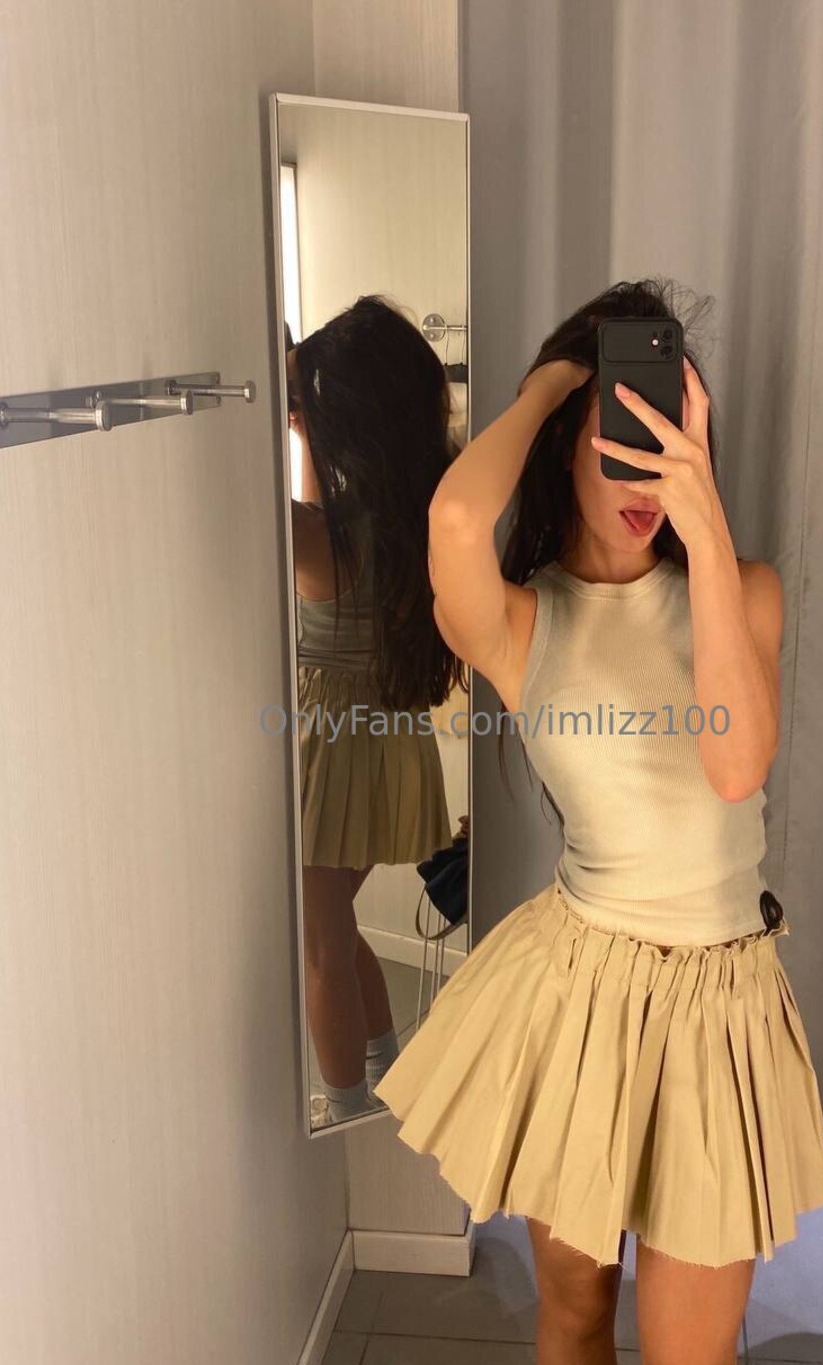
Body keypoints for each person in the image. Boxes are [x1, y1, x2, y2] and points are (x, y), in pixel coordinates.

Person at [373, 278, 823, 1365]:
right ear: (567, 447)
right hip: (578, 996)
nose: (642, 477)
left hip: (717, 1008)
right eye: (619, 440)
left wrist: (704, 520)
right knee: (575, 1305)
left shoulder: (746, 592)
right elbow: (454, 523)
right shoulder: (522, 622)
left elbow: (736, 766)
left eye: (667, 442)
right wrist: (553, 383)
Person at [286, 298, 465, 1125]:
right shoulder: (412, 519)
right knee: (335, 923)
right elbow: (324, 507)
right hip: (384, 739)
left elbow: (284, 514)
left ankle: (345, 1110)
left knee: (318, 942)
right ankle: (385, 1070)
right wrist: (309, 429)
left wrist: (282, 416)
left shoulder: (320, 540)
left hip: (330, 747)